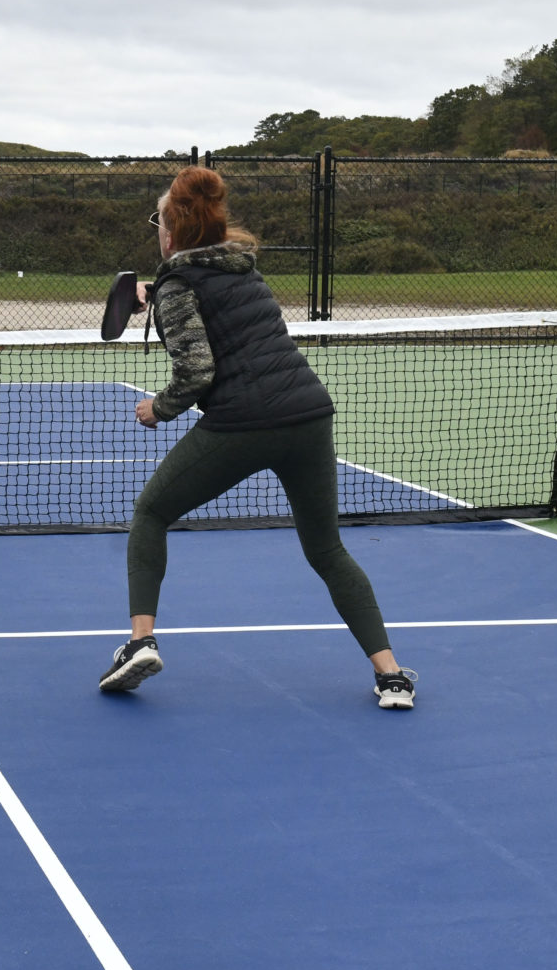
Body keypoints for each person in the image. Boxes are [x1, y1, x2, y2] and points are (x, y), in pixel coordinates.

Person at [99, 165, 416, 710]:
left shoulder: (179, 286)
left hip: (243, 424)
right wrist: (160, 292)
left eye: (158, 219)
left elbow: (196, 373)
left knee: (151, 513)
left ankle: (140, 642)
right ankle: (391, 677)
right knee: (326, 549)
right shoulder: (242, 269)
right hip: (308, 415)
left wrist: (161, 408)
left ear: (171, 229)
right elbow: (217, 305)